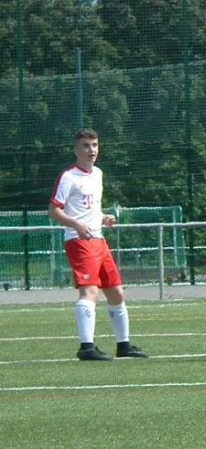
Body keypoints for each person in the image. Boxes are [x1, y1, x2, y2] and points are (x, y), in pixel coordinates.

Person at [48, 128, 148, 361]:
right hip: (80, 242)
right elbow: (54, 210)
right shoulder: (68, 177)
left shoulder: (98, 174)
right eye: (85, 145)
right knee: (90, 292)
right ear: (75, 150)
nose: (91, 150)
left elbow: (89, 208)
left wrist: (103, 218)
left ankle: (123, 345)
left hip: (99, 240)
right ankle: (86, 347)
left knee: (116, 292)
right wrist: (76, 224)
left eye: (94, 145)